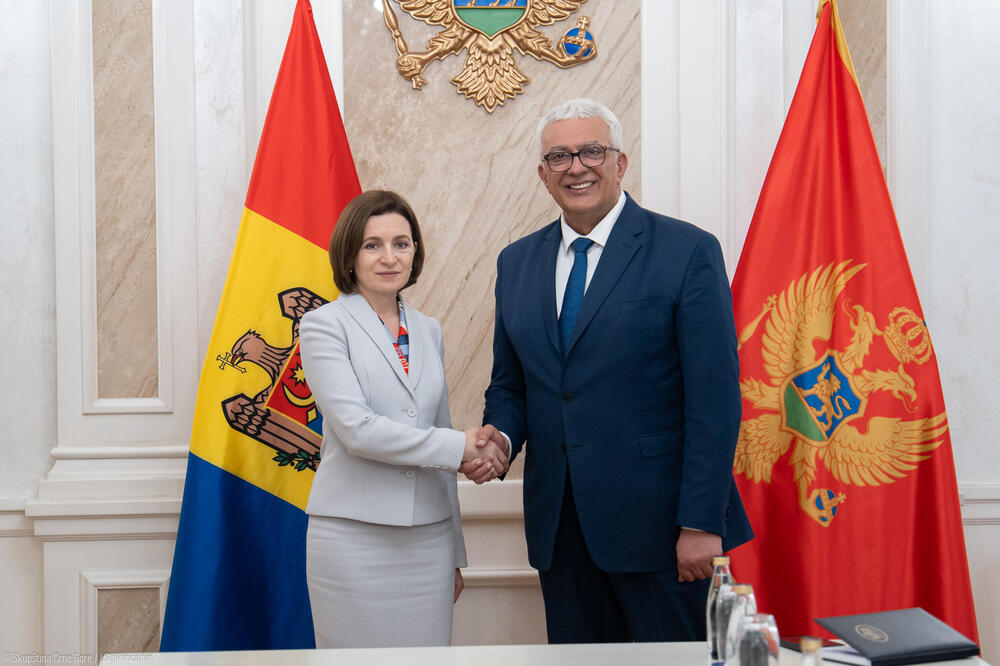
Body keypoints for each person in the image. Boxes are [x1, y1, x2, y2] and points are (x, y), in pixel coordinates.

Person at [474, 98, 754, 643]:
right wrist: (500, 438)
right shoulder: (516, 262)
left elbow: (714, 401)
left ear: (620, 163)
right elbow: (511, 384)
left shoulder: (687, 250)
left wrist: (701, 522)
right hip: (561, 533)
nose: (576, 167)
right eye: (558, 157)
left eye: (592, 152)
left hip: (664, 533)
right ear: (543, 174)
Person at [299, 190, 508, 648]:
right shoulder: (323, 325)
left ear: (415, 252)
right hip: (352, 539)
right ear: (349, 254)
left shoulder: (428, 329)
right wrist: (461, 446)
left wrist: (454, 553)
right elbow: (356, 431)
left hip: (430, 542)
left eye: (401, 243)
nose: (389, 257)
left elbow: (438, 426)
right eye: (372, 245)